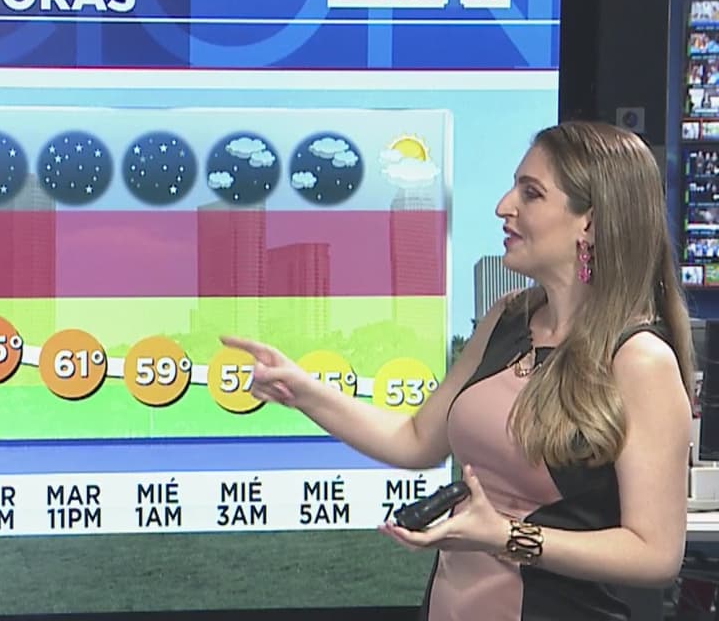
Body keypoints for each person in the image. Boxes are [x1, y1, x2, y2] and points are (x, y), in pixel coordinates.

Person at [223, 121, 695, 620]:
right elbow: (415, 439)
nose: (504, 206)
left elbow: (655, 553)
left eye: (531, 193)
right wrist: (301, 390)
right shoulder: (507, 319)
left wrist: (508, 537)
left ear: (591, 224)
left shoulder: (639, 360)